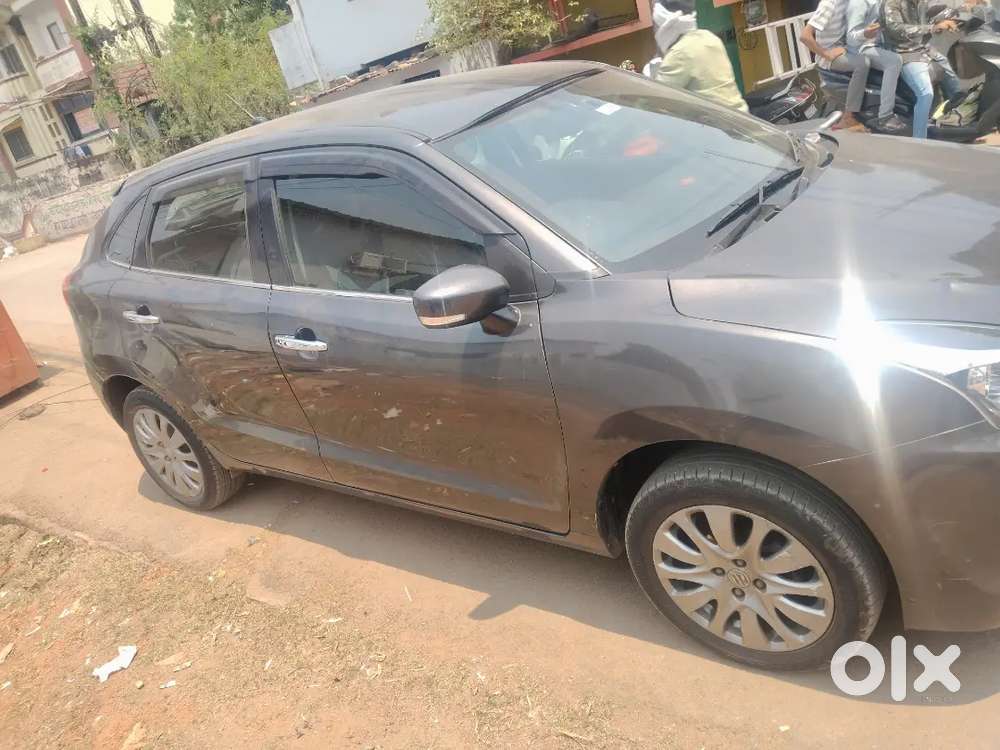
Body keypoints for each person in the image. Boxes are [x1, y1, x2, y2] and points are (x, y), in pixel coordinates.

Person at [881, 0, 963, 138]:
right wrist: (932, 28)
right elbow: (895, 29)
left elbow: (931, 18)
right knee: (926, 94)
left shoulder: (919, 3)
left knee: (956, 81)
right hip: (904, 53)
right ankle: (920, 139)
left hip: (925, 50)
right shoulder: (892, 3)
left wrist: (950, 18)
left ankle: (956, 124)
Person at [651, 0, 749, 113]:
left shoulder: (679, 53)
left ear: (664, 24)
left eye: (656, 26)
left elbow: (658, 100)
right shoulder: (709, 37)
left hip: (717, 126)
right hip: (741, 117)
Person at [800, 0, 869, 129]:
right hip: (830, 58)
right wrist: (826, 54)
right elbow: (805, 36)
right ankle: (848, 116)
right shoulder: (829, 4)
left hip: (846, 48)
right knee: (862, 64)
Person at [845, 0, 907, 132]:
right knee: (894, 61)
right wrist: (865, 33)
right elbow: (851, 37)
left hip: (881, 44)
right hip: (862, 47)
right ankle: (885, 116)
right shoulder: (859, 4)